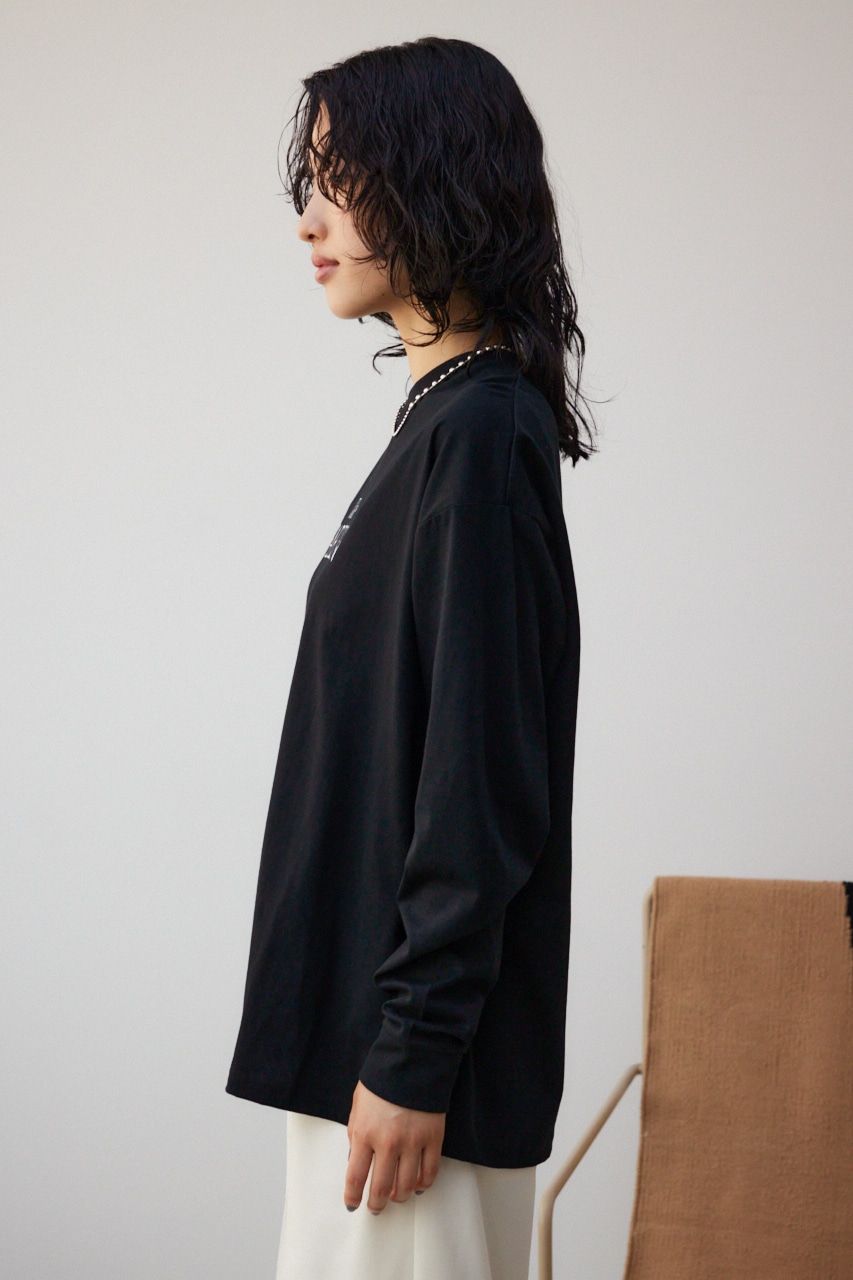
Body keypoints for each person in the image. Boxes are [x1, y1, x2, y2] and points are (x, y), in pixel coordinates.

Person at [226, 35, 595, 1280]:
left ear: (433, 181)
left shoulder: (481, 437)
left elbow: (481, 780)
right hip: (373, 1059)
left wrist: (413, 1050)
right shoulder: (448, 425)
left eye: (340, 179)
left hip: (406, 1086)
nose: (308, 218)